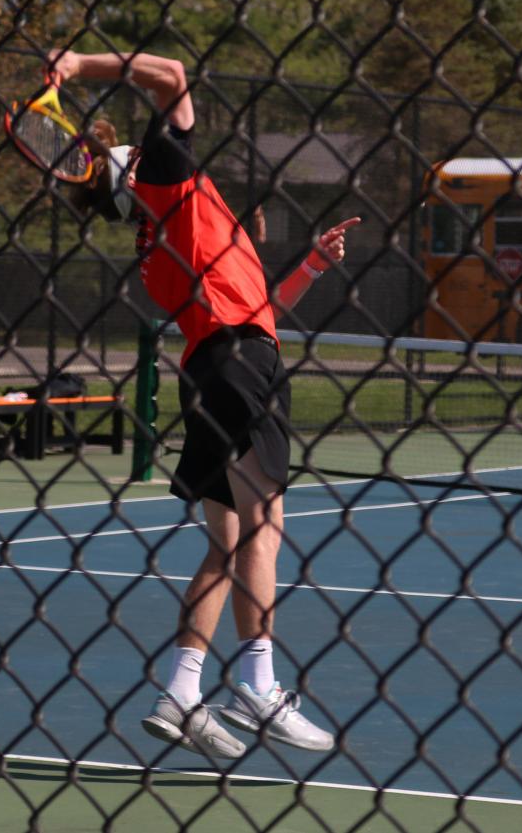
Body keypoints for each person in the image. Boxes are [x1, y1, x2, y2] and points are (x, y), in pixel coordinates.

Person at [46, 46, 360, 759]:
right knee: (265, 526)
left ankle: (182, 692)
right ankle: (258, 680)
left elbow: (269, 304)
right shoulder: (171, 181)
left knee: (227, 543)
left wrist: (311, 261)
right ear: (143, 169)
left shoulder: (166, 240)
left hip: (214, 368)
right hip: (241, 364)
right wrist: (80, 63)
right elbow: (174, 74)